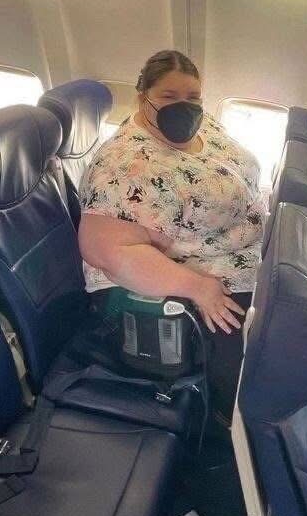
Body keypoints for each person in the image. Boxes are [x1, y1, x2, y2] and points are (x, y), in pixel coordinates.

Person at [78, 50, 266, 421]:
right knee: (261, 348)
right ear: (142, 98)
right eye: (168, 97)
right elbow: (110, 253)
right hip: (172, 282)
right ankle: (236, 427)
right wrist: (198, 288)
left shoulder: (201, 126)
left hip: (239, 254)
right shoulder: (124, 166)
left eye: (193, 97)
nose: (184, 107)